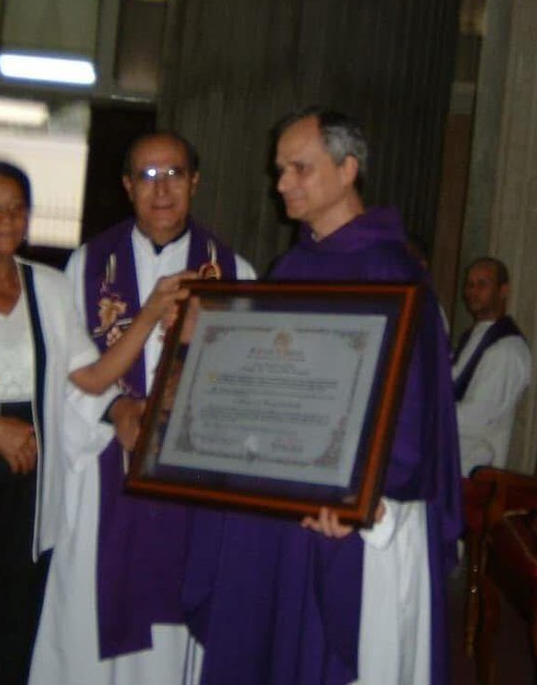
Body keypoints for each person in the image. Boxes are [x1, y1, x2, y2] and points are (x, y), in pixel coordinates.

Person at [0, 160, 189, 685]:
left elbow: (90, 376)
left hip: (24, 513)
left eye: (17, 208)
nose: (5, 219)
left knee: (3, 657)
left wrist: (152, 313)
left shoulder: (48, 287)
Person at [181, 109, 463, 684]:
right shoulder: (292, 266)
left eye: (298, 168)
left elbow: (413, 410)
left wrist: (369, 494)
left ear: (347, 169)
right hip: (281, 497)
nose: (281, 183)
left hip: (345, 510)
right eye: (280, 169)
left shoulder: (395, 274)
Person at [31, 132, 255, 684]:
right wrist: (114, 413)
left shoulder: (235, 272)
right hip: (107, 474)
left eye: (175, 174)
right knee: (92, 614)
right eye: (148, 177)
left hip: (194, 481)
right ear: (127, 186)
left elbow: (251, 388)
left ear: (195, 182)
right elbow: (61, 371)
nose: (162, 191)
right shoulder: (87, 266)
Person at [451, 257, 531, 476]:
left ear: (503, 291)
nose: (472, 291)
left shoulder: (507, 350)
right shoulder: (475, 335)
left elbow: (476, 418)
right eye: (469, 284)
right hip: (458, 446)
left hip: (473, 465)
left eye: (482, 284)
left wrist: (424, 414)